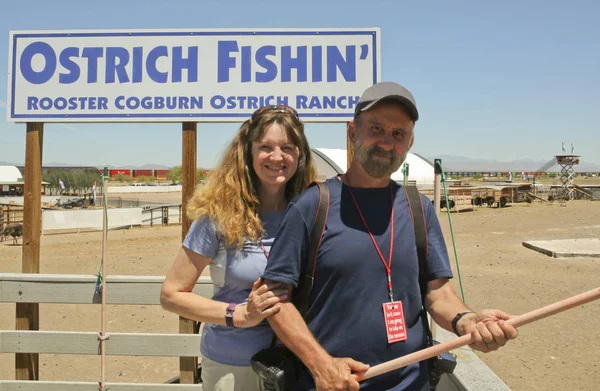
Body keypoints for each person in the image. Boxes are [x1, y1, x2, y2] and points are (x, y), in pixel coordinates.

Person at [262, 82, 519, 391]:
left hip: (411, 383)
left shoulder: (417, 208)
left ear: (410, 142)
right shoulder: (313, 205)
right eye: (377, 128)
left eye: (399, 134)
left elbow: (437, 292)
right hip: (332, 385)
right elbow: (275, 301)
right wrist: (322, 365)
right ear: (352, 131)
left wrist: (466, 320)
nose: (387, 142)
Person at [160, 105, 317, 391]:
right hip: (233, 365)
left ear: (300, 154)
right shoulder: (217, 216)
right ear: (247, 152)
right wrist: (240, 314)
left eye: (287, 147)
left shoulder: (313, 210)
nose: (277, 156)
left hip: (299, 361)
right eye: (265, 146)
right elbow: (171, 295)